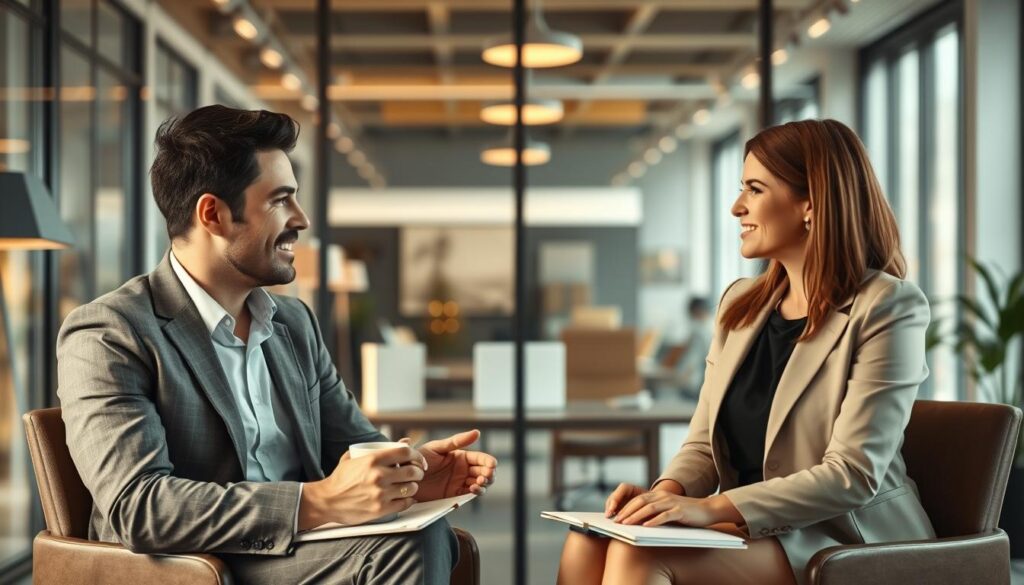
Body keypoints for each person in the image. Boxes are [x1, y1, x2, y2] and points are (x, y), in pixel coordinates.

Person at [56, 105, 497, 584]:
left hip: (301, 552)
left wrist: (408, 477)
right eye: (281, 200)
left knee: (426, 533)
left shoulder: (293, 323)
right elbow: (141, 507)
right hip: (194, 568)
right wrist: (319, 501)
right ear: (214, 214)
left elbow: (352, 446)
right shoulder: (108, 333)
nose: (301, 219)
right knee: (411, 546)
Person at [556, 118, 935, 585]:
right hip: (748, 527)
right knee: (587, 541)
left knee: (638, 559)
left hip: (842, 536)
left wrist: (707, 508)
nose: (737, 207)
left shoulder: (887, 306)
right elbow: (701, 445)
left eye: (754, 189)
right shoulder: (740, 305)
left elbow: (851, 474)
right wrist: (664, 496)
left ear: (810, 204)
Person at [673, 297, 712, 398]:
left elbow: (692, 361)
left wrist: (679, 378)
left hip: (696, 385)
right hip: (709, 384)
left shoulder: (698, 331)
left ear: (695, 311)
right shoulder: (713, 327)